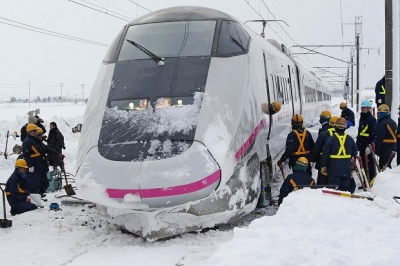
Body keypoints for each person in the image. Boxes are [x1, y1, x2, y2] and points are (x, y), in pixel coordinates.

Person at [320, 117, 358, 192]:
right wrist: (352, 165)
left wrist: (323, 166)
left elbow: (325, 154)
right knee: (345, 191)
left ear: (335, 127)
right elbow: (354, 153)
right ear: (345, 128)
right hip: (346, 170)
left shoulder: (331, 140)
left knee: (335, 192)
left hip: (333, 170)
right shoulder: (350, 139)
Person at [310, 116, 338, 185]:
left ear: (329, 124)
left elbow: (317, 148)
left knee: (321, 183)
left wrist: (313, 159)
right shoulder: (343, 136)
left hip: (323, 163)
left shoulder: (323, 135)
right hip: (337, 164)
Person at [356, 100, 377, 181]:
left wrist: (370, 145)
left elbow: (373, 133)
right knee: (363, 164)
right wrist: (357, 144)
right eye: (362, 108)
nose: (362, 109)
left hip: (367, 145)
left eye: (364, 108)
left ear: (368, 109)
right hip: (361, 144)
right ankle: (366, 180)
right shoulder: (362, 118)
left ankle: (371, 180)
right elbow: (360, 132)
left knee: (369, 164)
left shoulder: (371, 119)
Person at [375, 104, 397, 169]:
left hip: (385, 148)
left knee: (383, 166)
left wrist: (377, 150)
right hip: (392, 147)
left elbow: (380, 138)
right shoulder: (393, 122)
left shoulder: (382, 123)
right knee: (387, 165)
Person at [22, 123, 42, 193]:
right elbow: (26, 154)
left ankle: (36, 196)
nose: (36, 132)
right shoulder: (27, 141)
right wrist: (30, 165)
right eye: (35, 131)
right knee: (31, 182)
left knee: (36, 182)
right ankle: (30, 197)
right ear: (30, 131)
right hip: (32, 165)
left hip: (37, 164)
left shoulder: (34, 139)